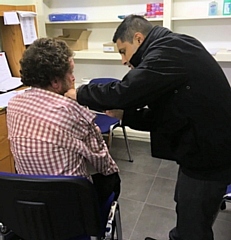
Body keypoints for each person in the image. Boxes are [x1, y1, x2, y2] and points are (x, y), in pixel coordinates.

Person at [65, 15, 231, 240]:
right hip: (197, 148)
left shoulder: (169, 50)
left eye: (123, 51)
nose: (124, 60)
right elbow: (166, 117)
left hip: (209, 154)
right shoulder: (171, 49)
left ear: (138, 38)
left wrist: (81, 93)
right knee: (185, 206)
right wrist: (127, 116)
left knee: (194, 223)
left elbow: (125, 91)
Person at [7, 38, 120, 203]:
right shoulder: (71, 110)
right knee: (112, 179)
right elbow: (102, 162)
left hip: (32, 203)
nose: (74, 78)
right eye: (71, 73)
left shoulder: (13, 104)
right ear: (55, 82)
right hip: (72, 207)